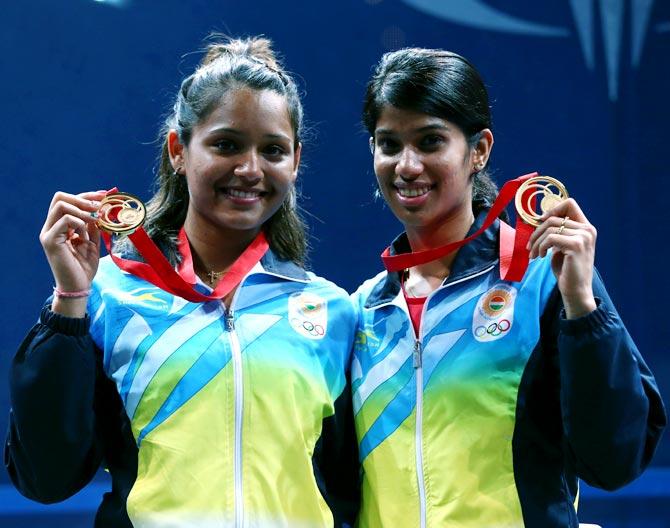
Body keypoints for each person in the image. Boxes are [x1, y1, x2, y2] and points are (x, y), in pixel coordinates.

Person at [5, 37, 359, 528]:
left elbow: (347, 492)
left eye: (272, 150)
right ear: (178, 149)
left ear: (295, 161)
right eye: (226, 144)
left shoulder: (332, 311)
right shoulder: (111, 295)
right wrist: (69, 301)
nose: (250, 169)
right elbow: (46, 478)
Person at [351, 47, 666, 527]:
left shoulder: (544, 280)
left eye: (431, 141)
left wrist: (582, 306)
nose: (407, 165)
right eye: (389, 144)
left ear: (478, 150)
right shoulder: (364, 310)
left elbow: (615, 460)